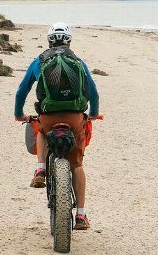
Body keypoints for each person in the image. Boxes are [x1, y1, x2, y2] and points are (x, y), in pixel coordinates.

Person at [14, 22, 100, 230]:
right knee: (77, 165)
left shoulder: (40, 61)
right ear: (69, 41)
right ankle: (80, 215)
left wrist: (19, 114)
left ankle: (41, 170)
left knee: (41, 129)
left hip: (49, 115)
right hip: (74, 117)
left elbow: (21, 91)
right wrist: (94, 114)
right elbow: (93, 92)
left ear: (49, 40)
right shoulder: (77, 61)